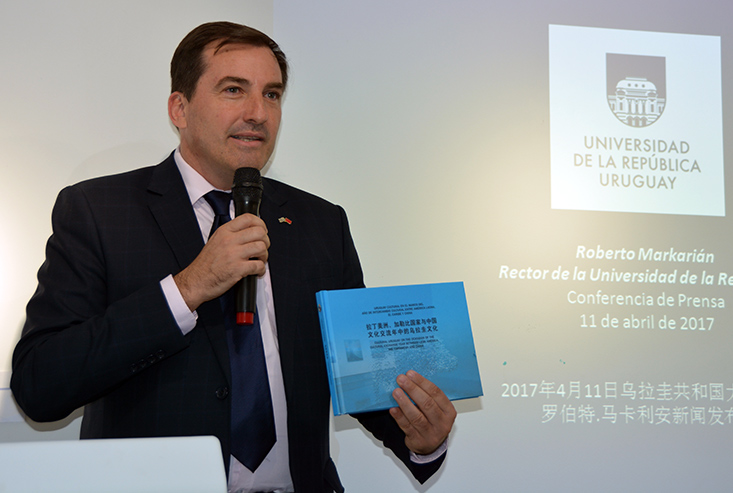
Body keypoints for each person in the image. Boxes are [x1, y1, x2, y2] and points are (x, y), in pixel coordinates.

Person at [10, 21, 455, 493]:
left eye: (272, 95)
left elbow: (358, 376)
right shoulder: (100, 211)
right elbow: (41, 384)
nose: (257, 113)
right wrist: (187, 288)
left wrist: (420, 437)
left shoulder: (320, 222)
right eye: (233, 90)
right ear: (179, 108)